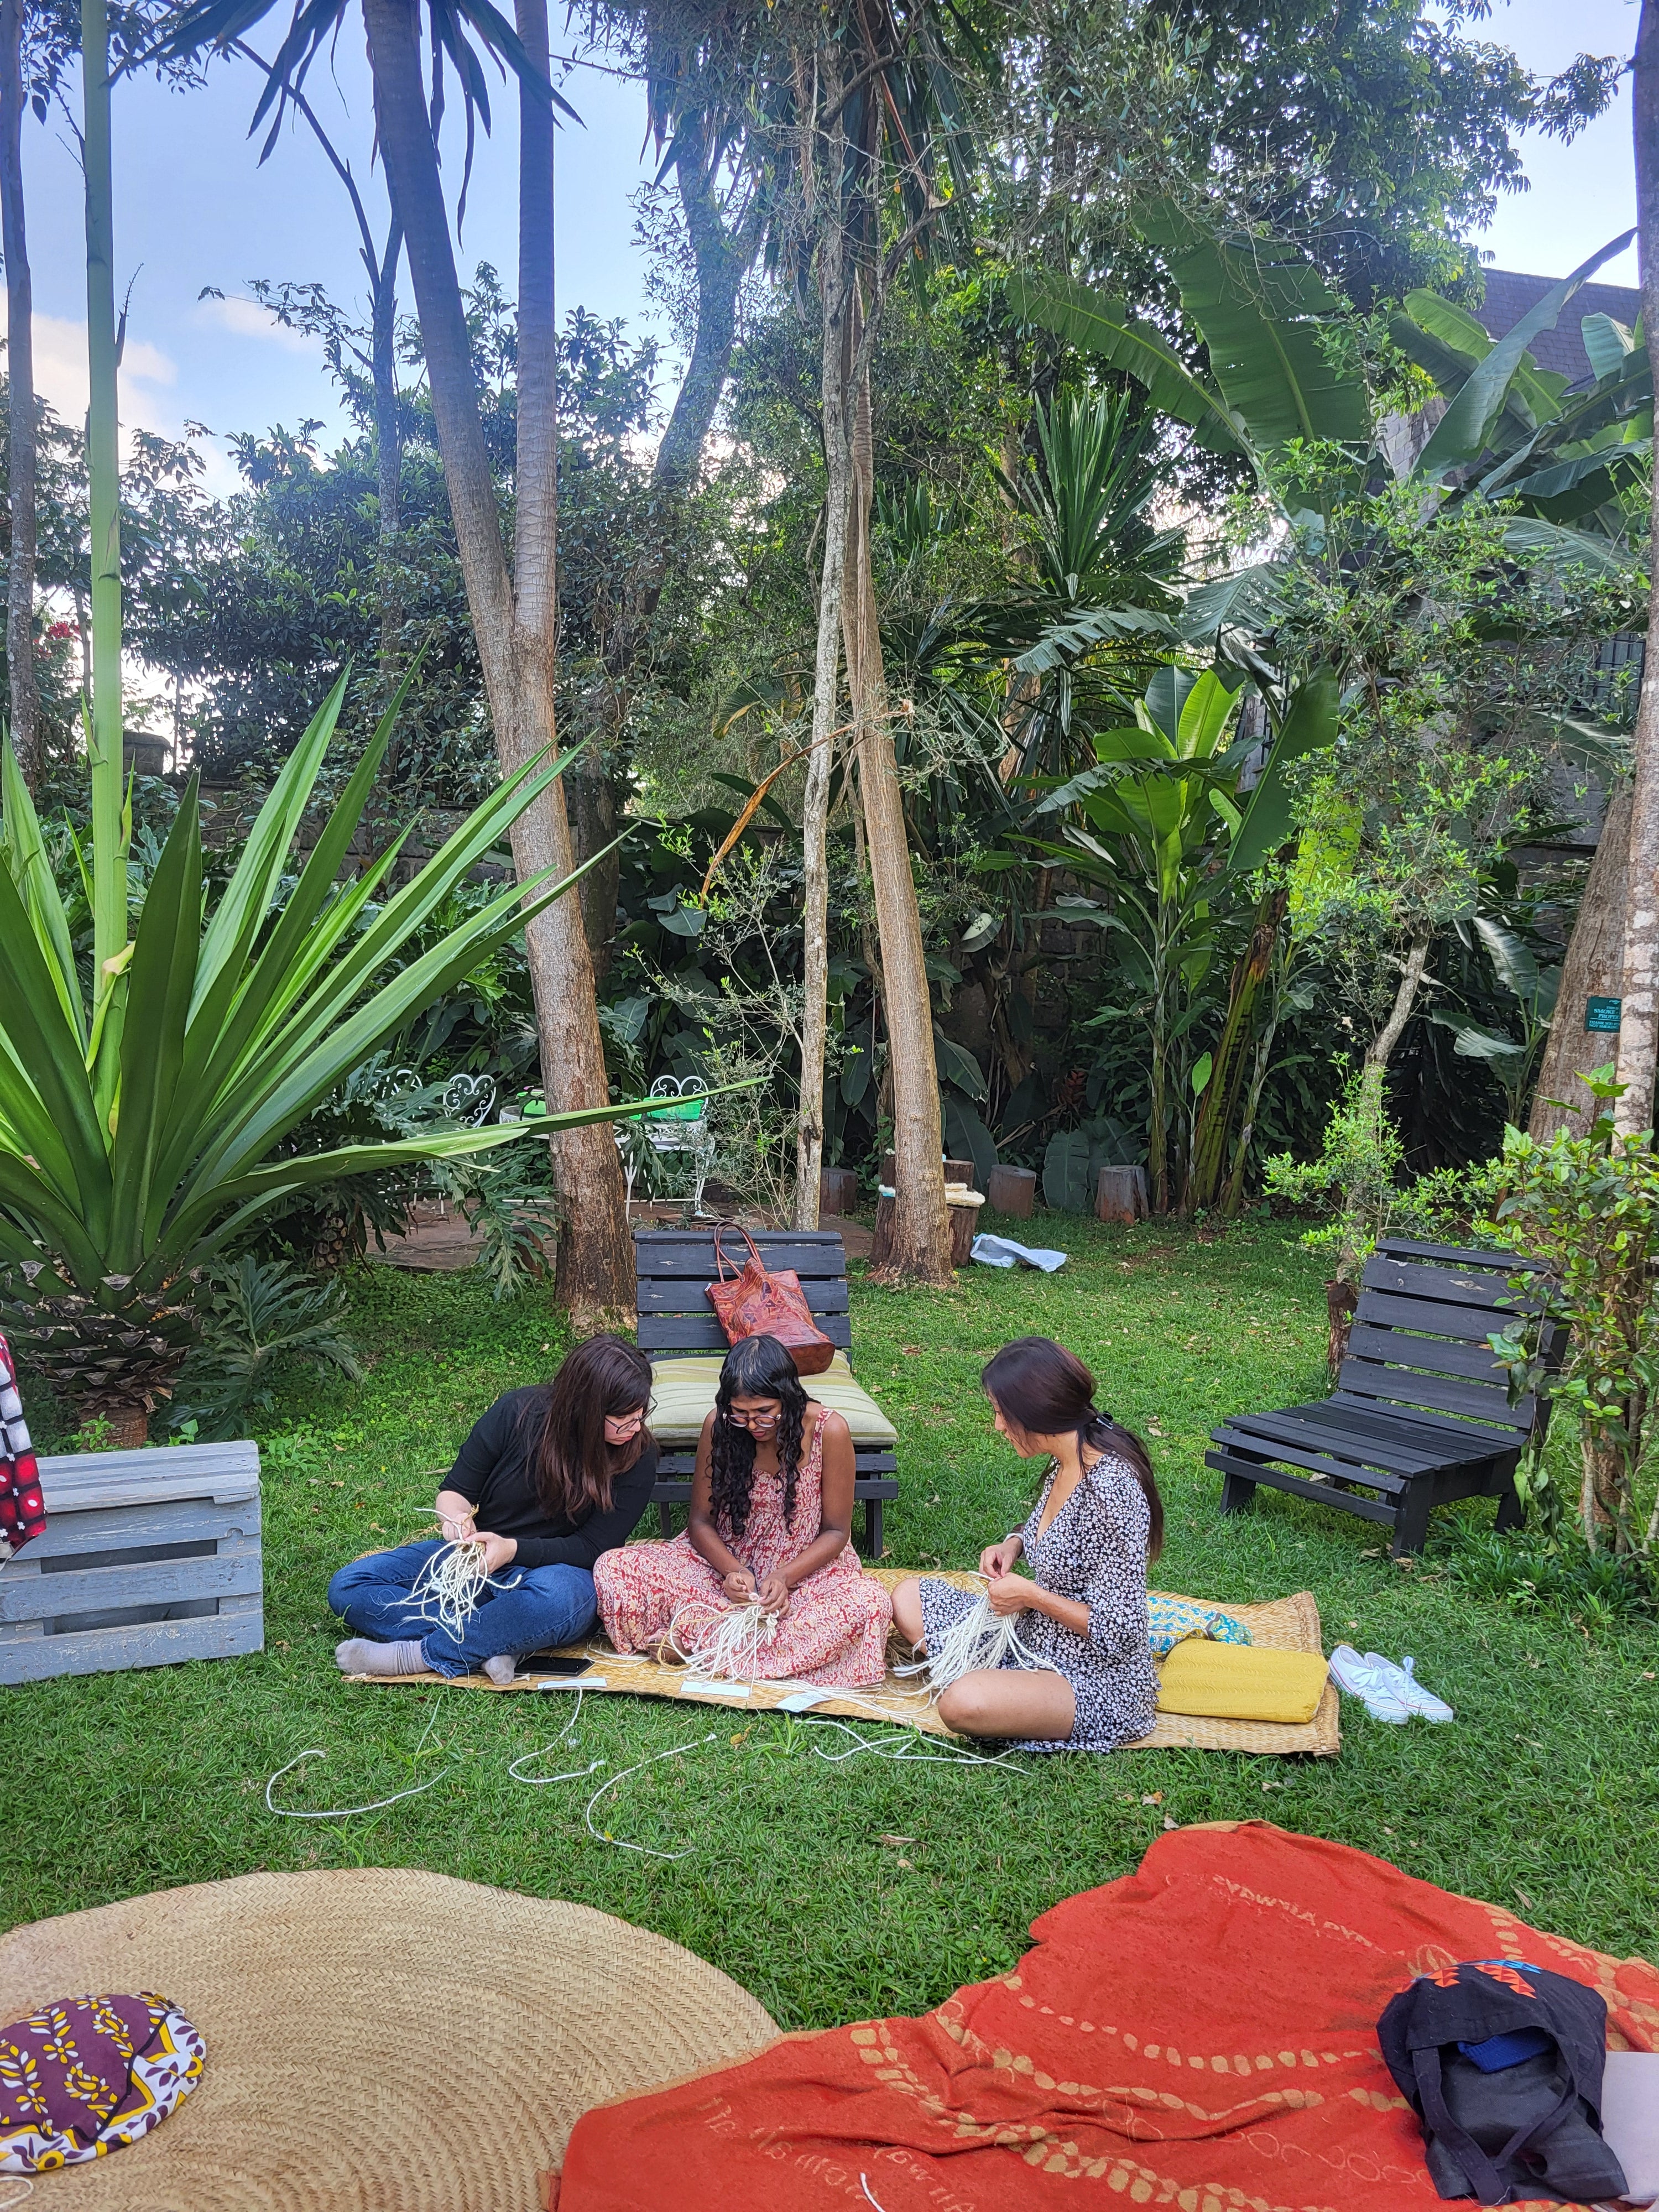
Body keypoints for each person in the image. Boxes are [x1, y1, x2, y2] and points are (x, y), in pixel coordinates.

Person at [330, 1334, 657, 1684]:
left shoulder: (638, 1456)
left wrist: (511, 1549)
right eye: (622, 1419)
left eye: (641, 1414)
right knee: (350, 1585)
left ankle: (414, 1655)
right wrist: (455, 1522)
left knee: (565, 1599)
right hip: (476, 1562)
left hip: (553, 1573)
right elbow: (456, 1490)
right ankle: (500, 1637)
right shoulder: (516, 1412)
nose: (635, 1428)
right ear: (585, 1407)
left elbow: (593, 1548)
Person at [890, 1336, 1161, 1750]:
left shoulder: (1112, 1492)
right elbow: (1050, 1529)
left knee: (962, 1704)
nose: (998, 1426)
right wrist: (1013, 1544)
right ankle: (997, 1684)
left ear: (1037, 1411)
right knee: (908, 1597)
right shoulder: (1069, 1458)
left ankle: (991, 1687)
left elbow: (1121, 1632)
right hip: (1031, 1639)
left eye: (1002, 1413)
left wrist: (1032, 1595)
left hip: (1092, 1677)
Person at [593, 1332, 892, 1687]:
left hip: (807, 1576)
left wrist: (784, 1577)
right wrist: (732, 1571)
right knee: (614, 1569)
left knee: (869, 1603)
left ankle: (698, 1641)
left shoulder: (830, 1430)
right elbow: (701, 1522)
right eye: (741, 1414)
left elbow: (836, 1532)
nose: (752, 1425)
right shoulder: (718, 1426)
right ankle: (744, 1643)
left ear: (788, 1397)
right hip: (720, 1571)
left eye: (765, 1413)